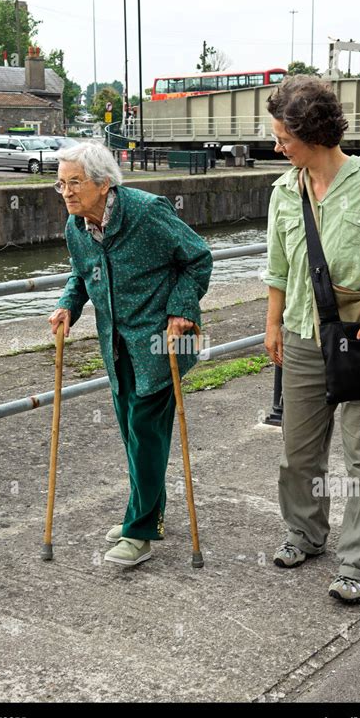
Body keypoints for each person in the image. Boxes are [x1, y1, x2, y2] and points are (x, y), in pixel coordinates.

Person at [262, 75, 360, 603]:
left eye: (283, 137)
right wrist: (272, 325)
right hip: (304, 338)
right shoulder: (285, 189)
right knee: (298, 453)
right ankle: (304, 534)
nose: (276, 146)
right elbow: (277, 267)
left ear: (314, 132)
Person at [48, 141, 212, 567]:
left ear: (103, 184)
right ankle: (147, 512)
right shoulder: (77, 226)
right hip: (117, 344)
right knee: (133, 432)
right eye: (61, 184)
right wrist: (69, 303)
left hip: (163, 343)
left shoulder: (147, 212)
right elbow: (83, 273)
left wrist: (181, 309)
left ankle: (139, 533)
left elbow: (197, 259)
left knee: (144, 431)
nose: (66, 192)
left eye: (75, 183)